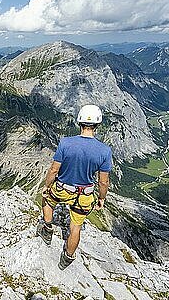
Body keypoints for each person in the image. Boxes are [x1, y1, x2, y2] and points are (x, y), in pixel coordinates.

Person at [36, 104, 112, 269]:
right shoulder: (104, 151)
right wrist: (101, 198)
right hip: (85, 195)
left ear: (79, 122)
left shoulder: (65, 143)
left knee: (47, 200)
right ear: (97, 125)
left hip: (63, 189)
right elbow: (103, 182)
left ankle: (47, 228)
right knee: (75, 226)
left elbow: (54, 169)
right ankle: (67, 258)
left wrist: (46, 186)